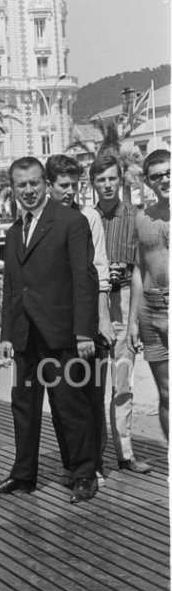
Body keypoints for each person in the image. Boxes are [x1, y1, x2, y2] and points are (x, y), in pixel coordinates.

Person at [0, 157, 99, 504]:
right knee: (23, 407)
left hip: (62, 333)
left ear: (45, 184)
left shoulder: (71, 222)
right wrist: (6, 334)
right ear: (14, 188)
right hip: (24, 336)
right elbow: (11, 287)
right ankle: (23, 476)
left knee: (70, 405)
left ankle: (83, 475)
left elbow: (85, 281)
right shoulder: (12, 232)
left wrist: (84, 333)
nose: (29, 190)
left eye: (35, 183)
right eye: (22, 185)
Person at [45, 154, 115, 485]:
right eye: (64, 185)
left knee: (91, 395)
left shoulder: (89, 217)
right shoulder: (40, 219)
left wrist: (101, 319)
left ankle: (95, 462)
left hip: (87, 319)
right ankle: (72, 462)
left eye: (75, 185)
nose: (70, 191)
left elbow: (100, 272)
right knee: (62, 398)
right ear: (50, 186)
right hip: (56, 325)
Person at [91, 155, 151, 473]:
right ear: (93, 184)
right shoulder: (85, 218)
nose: (108, 184)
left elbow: (141, 272)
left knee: (123, 384)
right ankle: (96, 458)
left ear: (120, 180)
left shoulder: (135, 217)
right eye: (101, 180)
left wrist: (134, 323)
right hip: (95, 305)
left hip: (125, 299)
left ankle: (125, 454)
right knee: (93, 386)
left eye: (112, 178)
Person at [127, 149, 169, 439]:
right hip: (152, 309)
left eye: (169, 173)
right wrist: (132, 321)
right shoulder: (142, 219)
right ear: (148, 182)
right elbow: (139, 272)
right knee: (165, 393)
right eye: (157, 176)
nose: (165, 179)